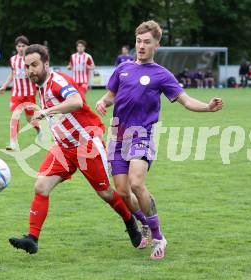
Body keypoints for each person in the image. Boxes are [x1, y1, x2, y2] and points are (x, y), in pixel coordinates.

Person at [95, 20, 223, 260]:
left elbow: (185, 100)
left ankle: (158, 236)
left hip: (142, 135)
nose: (141, 46)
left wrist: (207, 107)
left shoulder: (161, 75)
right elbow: (111, 95)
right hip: (117, 136)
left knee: (136, 183)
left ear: (157, 45)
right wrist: (103, 102)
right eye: (138, 41)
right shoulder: (122, 69)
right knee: (122, 193)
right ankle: (144, 221)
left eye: (146, 42)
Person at [8, 44, 142, 254]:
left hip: (86, 143)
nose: (30, 70)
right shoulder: (40, 85)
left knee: (106, 193)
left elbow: (76, 101)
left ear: (46, 63)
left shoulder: (57, 81)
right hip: (63, 147)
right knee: (41, 187)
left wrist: (46, 111)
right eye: (27, 66)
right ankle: (32, 238)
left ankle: (130, 221)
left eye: (34, 65)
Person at [0, 36, 41, 151]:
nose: (21, 48)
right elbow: (12, 74)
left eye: (23, 46)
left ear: (27, 46)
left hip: (30, 93)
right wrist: (4, 85)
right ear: (16, 47)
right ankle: (13, 143)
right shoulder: (13, 60)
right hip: (16, 94)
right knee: (14, 117)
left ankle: (39, 130)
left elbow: (38, 74)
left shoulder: (31, 60)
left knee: (30, 118)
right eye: (19, 46)